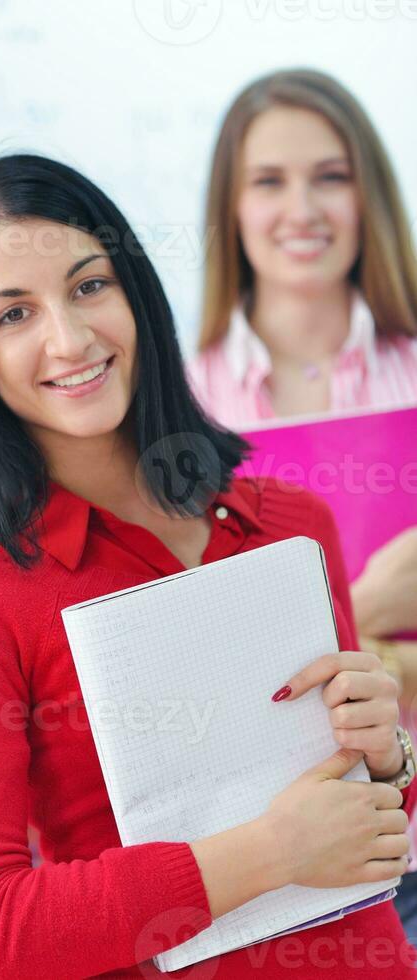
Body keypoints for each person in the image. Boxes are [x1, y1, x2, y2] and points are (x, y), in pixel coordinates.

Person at [0, 153, 416, 979]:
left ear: (135, 291)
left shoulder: (289, 523)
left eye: (89, 286)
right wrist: (271, 851)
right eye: (13, 314)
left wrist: (387, 756)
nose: (68, 338)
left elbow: (362, 821)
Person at [185, 68, 417, 939]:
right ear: (231, 208)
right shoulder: (173, 402)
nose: (302, 209)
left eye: (331, 176)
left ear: (370, 194)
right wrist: (367, 607)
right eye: (269, 181)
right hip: (272, 862)